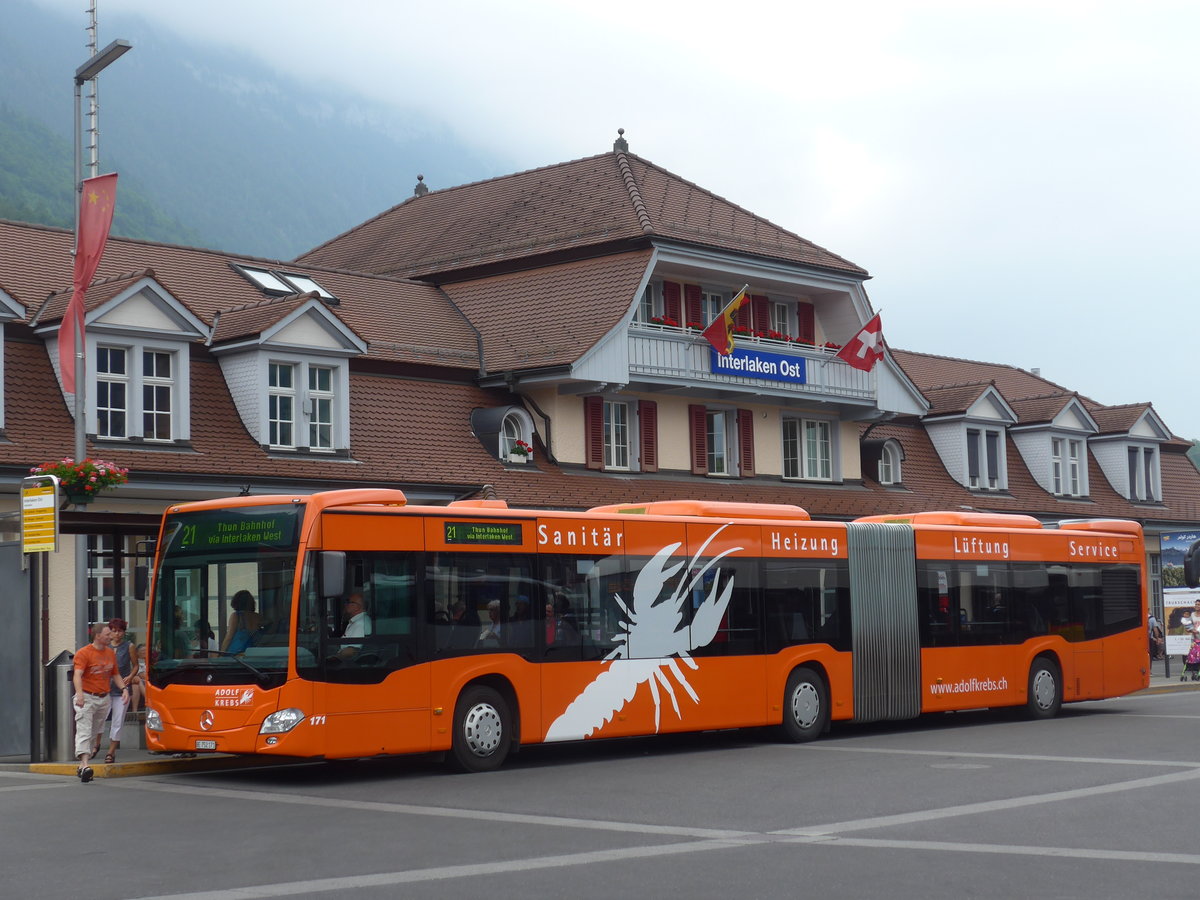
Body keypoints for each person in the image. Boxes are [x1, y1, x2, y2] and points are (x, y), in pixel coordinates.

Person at [73, 622, 130, 783]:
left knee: (95, 731)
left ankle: (82, 764)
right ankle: (85, 765)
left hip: (103, 697)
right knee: (84, 728)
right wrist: (79, 694)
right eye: (107, 634)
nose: (110, 636)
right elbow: (77, 675)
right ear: (98, 636)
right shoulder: (84, 653)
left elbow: (116, 674)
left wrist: (124, 688)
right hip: (86, 696)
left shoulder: (110, 653)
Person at [102, 618, 137, 764]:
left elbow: (135, 665)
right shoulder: (104, 647)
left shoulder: (129, 646)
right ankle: (96, 745)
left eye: (120, 631)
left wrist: (130, 676)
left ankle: (111, 751)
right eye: (114, 631)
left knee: (117, 721)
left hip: (122, 689)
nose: (117, 634)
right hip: (105, 689)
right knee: (100, 719)